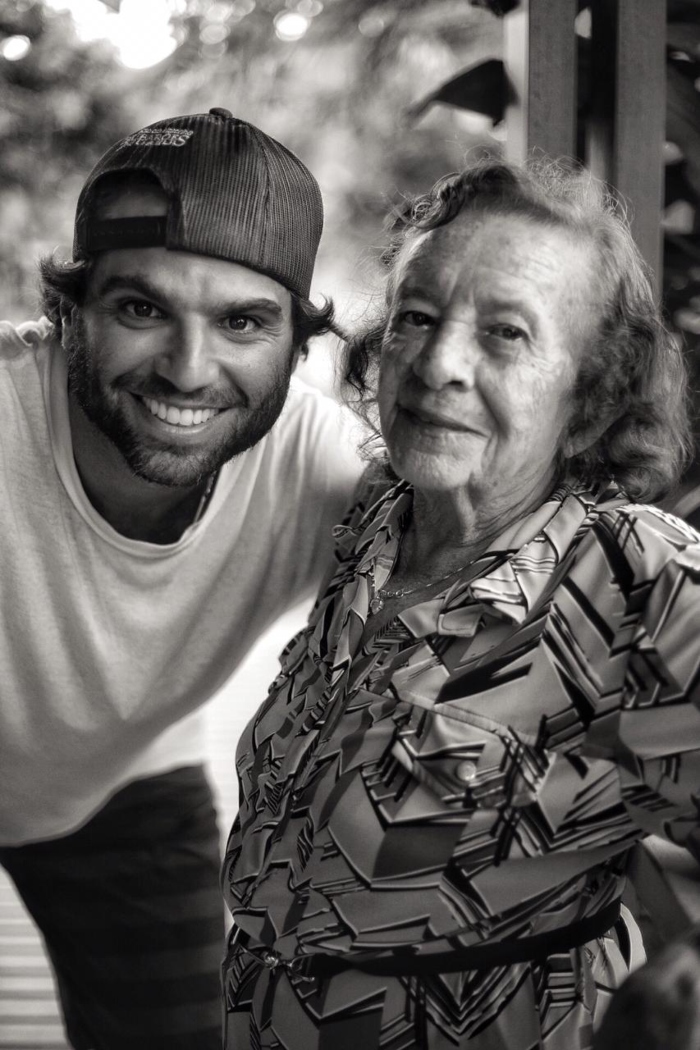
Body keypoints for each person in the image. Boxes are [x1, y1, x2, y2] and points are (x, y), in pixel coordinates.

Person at [222, 158, 700, 1050]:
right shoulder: (381, 518)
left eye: (506, 334)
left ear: (591, 396)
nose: (438, 364)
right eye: (417, 317)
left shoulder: (632, 578)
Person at [0, 108, 363, 1050]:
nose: (189, 371)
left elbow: (560, 574)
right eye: (141, 308)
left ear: (298, 342)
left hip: (119, 776)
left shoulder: (322, 469)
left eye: (243, 321)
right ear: (67, 310)